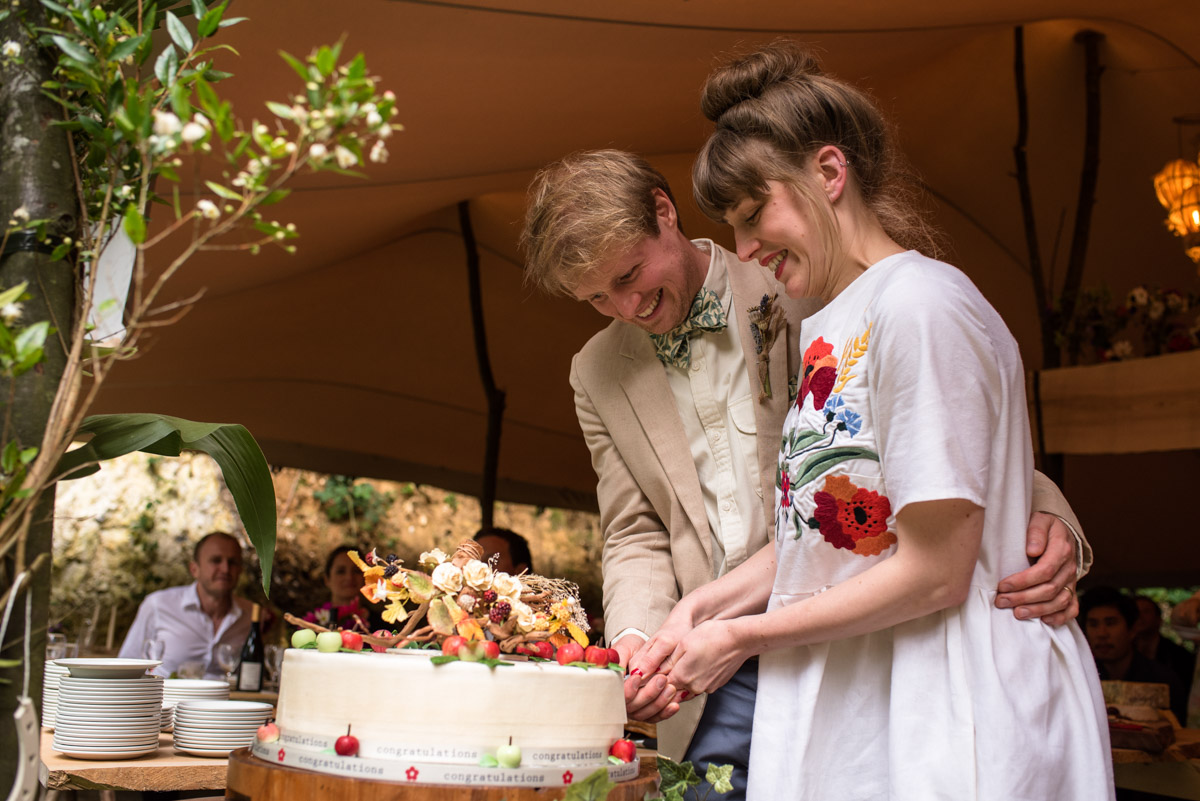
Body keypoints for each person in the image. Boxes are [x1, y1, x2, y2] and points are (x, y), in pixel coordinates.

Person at [616, 41, 1112, 799]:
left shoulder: (919, 304)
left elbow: (937, 570)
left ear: (828, 172)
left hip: (947, 705)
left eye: (756, 214)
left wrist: (738, 638)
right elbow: (837, 540)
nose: (746, 247)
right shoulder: (827, 322)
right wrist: (700, 607)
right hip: (863, 701)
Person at [119, 531, 253, 679]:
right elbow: (126, 665)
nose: (225, 569)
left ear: (240, 570)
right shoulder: (158, 605)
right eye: (216, 560)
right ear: (194, 569)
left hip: (228, 701)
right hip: (167, 699)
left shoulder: (252, 615)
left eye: (233, 562)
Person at [1084, 588, 1187, 722]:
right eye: (1093, 624)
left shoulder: (1163, 679)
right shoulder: (1081, 678)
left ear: (1133, 629)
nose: (1102, 633)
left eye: (1111, 623)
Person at [302, 545, 383, 632]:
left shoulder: (381, 626)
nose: (349, 577)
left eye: (356, 571)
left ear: (365, 578)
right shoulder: (312, 624)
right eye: (341, 571)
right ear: (327, 579)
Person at [1133, 595, 1195, 699]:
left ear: (1159, 619)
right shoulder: (1120, 655)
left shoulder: (1178, 655)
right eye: (1136, 612)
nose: (1140, 616)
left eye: (1146, 612)